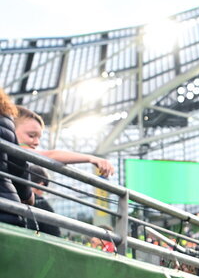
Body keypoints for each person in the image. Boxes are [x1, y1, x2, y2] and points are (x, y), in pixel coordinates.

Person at [13, 107, 115, 177]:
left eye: (39, 138)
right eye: (31, 135)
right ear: (11, 129)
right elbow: (51, 155)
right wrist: (90, 158)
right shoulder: (14, 147)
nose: (37, 142)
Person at [0, 88, 33, 227]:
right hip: (6, 208)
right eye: (31, 135)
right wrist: (27, 194)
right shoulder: (4, 117)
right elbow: (17, 164)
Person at [26, 165, 62, 237]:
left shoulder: (14, 196)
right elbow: (55, 235)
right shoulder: (41, 203)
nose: (42, 194)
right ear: (41, 185)